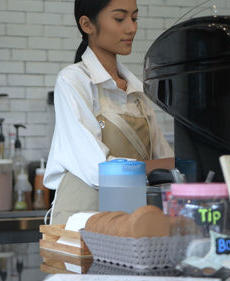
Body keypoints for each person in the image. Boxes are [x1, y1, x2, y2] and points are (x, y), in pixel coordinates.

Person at [44, 0, 174, 224]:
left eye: (134, 18)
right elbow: (98, 170)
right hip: (81, 222)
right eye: (119, 18)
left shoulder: (137, 92)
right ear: (87, 24)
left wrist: (174, 165)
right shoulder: (73, 80)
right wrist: (159, 166)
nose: (131, 28)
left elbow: (165, 160)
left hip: (130, 221)